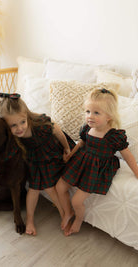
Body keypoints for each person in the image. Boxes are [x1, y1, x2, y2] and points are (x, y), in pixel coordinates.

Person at [0, 92, 76, 236]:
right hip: (33, 159)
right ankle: (30, 220)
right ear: (6, 126)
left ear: (27, 116)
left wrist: (67, 148)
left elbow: (57, 130)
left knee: (50, 187)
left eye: (22, 122)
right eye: (13, 125)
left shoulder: (40, 124)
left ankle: (65, 214)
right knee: (34, 188)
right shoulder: (7, 135)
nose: (19, 128)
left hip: (50, 153)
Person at [56, 88, 138, 236]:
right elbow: (81, 142)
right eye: (87, 111)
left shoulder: (113, 136)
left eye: (96, 113)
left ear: (109, 116)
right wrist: (70, 155)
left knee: (77, 201)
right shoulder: (87, 128)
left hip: (97, 169)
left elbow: (127, 155)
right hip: (81, 162)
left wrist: (136, 172)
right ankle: (68, 212)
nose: (90, 116)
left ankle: (78, 220)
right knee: (60, 186)